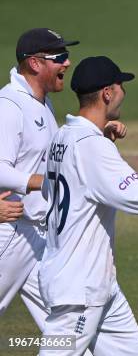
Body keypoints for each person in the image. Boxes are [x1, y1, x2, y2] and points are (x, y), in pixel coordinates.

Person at [39, 56, 138, 355]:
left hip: (98, 286)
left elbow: (63, 191)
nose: (124, 93)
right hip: (79, 291)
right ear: (107, 93)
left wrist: (106, 147)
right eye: (121, 86)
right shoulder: (91, 146)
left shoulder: (63, 136)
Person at [0, 28, 79, 328]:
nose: (67, 63)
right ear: (34, 63)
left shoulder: (42, 103)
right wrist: (43, 183)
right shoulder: (9, 106)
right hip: (10, 234)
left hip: (37, 238)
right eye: (60, 57)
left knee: (66, 327)